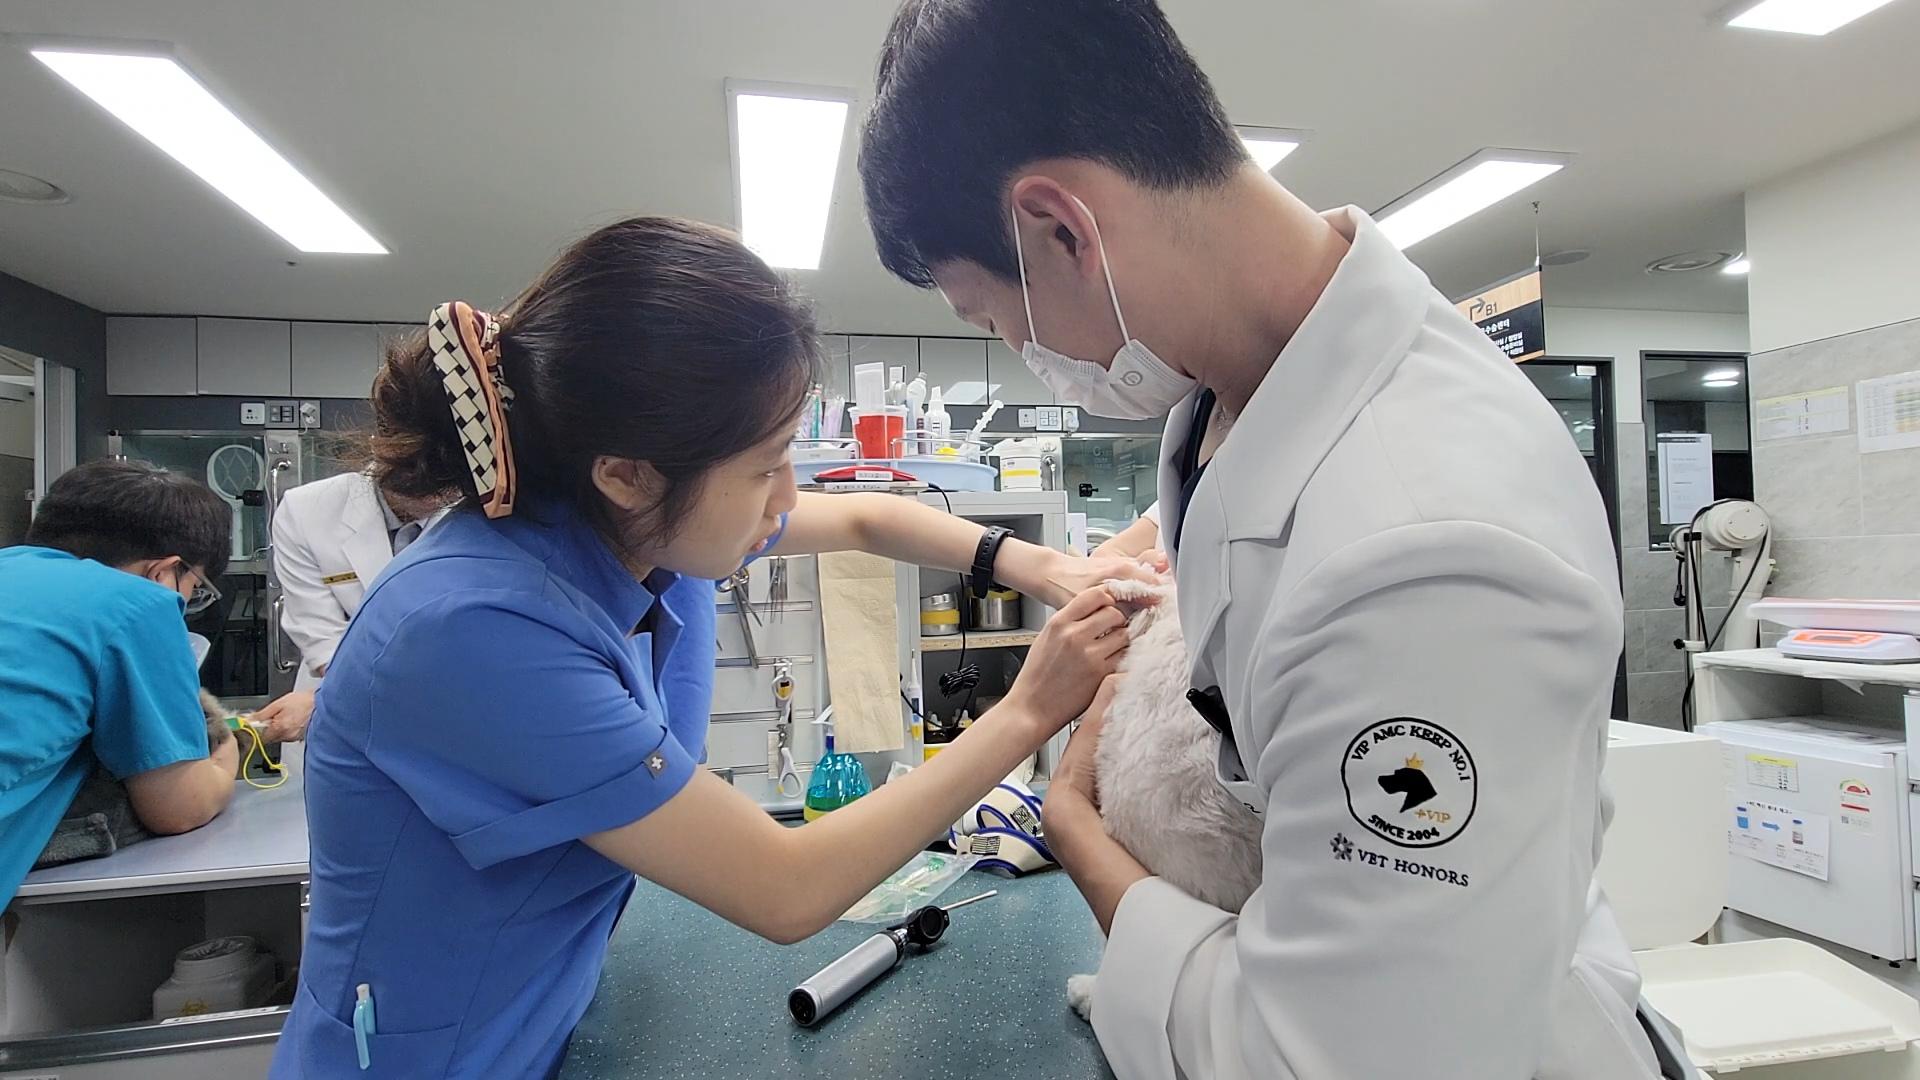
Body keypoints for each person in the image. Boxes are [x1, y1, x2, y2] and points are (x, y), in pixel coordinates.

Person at [859, 1, 1672, 1076]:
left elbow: (1340, 1058)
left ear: (1062, 229)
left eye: (988, 317)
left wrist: (1080, 831)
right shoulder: (1232, 401)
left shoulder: (1432, 547)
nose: (1016, 348)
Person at [272, 217, 1150, 1078]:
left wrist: (1033, 563)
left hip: (548, 1017)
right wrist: (1029, 709)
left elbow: (866, 516)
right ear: (624, 471)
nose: (786, 497)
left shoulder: (640, 526)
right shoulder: (472, 632)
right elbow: (786, 888)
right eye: (766, 465)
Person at [0, 460, 241, 908]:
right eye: (196, 586)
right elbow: (179, 807)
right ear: (164, 573)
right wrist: (225, 756)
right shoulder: (140, 602)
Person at [249, 471, 450, 744]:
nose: (437, 498)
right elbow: (322, 639)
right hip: (336, 699)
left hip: (442, 708)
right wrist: (333, 702)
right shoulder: (309, 508)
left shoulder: (478, 514)